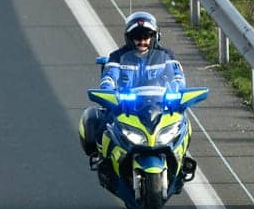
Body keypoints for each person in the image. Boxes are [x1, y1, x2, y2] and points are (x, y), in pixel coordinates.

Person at [80, 11, 187, 184]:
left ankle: (181, 162)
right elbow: (109, 76)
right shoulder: (117, 56)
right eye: (137, 36)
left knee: (183, 122)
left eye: (146, 36)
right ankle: (104, 161)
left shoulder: (167, 56)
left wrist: (176, 89)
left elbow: (178, 76)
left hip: (159, 105)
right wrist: (109, 90)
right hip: (127, 107)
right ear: (129, 37)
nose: (142, 41)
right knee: (101, 123)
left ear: (155, 36)